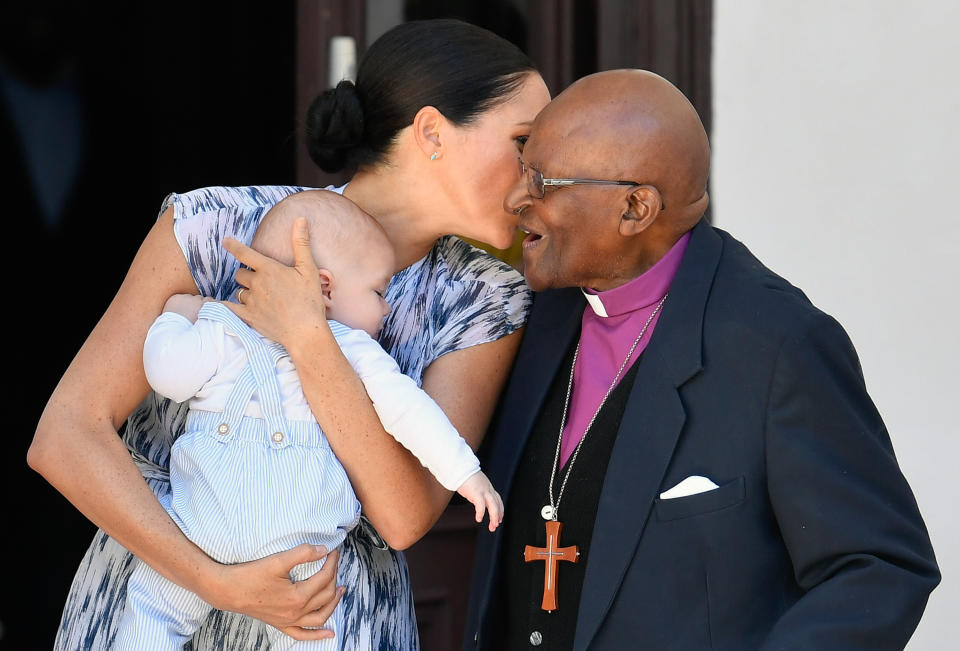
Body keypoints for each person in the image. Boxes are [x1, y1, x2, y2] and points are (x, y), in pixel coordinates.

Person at [29, 19, 550, 650]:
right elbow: (64, 436)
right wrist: (213, 581)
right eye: (523, 141)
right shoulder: (214, 226)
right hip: (155, 607)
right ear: (433, 132)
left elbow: (406, 515)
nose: (538, 174)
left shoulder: (485, 299)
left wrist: (308, 335)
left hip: (333, 624)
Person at [463, 69, 940, 650]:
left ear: (635, 208)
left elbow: (880, 566)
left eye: (544, 184)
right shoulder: (531, 317)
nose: (518, 200)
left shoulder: (778, 345)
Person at [115, 190, 504, 650]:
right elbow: (411, 413)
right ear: (324, 287)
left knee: (153, 611)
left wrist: (174, 319)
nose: (386, 309)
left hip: (203, 525)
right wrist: (466, 472)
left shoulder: (223, 327)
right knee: (315, 629)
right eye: (379, 291)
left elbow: (169, 376)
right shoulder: (357, 351)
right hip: (302, 540)